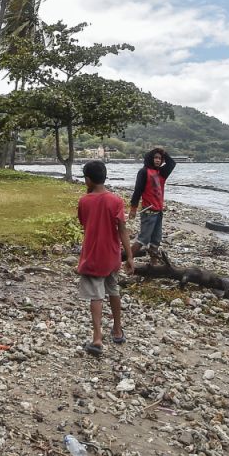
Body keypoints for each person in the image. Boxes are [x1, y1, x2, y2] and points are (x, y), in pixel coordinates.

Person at [76, 160, 133, 356]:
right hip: (112, 255)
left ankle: (97, 338)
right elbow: (123, 230)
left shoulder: (84, 201)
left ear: (88, 179)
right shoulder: (116, 200)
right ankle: (117, 330)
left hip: (93, 256)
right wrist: (130, 256)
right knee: (113, 290)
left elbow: (84, 222)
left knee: (96, 295)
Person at [128, 147, 176, 257]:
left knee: (156, 240)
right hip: (148, 211)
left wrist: (164, 152)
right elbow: (137, 191)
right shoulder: (144, 172)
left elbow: (172, 163)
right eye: (155, 157)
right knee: (143, 239)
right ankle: (127, 260)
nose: (158, 160)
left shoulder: (162, 172)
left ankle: (153, 262)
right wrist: (133, 209)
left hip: (158, 211)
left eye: (160, 158)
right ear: (150, 158)